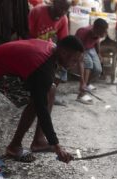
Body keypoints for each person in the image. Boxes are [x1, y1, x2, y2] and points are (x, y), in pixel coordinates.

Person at [0, 36, 84, 163]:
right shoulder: (42, 67)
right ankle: (14, 146)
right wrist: (56, 146)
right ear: (64, 52)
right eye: (74, 60)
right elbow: (41, 108)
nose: (75, 65)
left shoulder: (52, 50)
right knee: (37, 100)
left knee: (50, 89)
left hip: (0, 62)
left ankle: (39, 141)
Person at [28, 0, 72, 152]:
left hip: (45, 53)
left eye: (66, 10)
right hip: (31, 52)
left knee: (50, 89)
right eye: (60, 8)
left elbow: (63, 42)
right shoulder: (37, 11)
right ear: (53, 3)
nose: (62, 13)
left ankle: (39, 139)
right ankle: (39, 140)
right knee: (41, 97)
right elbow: (28, 36)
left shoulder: (63, 19)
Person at [75, 18, 109, 104]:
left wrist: (98, 53)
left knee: (98, 69)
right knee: (88, 64)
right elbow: (77, 51)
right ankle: (81, 94)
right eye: (103, 31)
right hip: (79, 49)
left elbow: (96, 41)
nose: (105, 33)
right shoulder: (82, 32)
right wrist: (81, 80)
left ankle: (86, 85)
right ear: (96, 29)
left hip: (90, 48)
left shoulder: (98, 33)